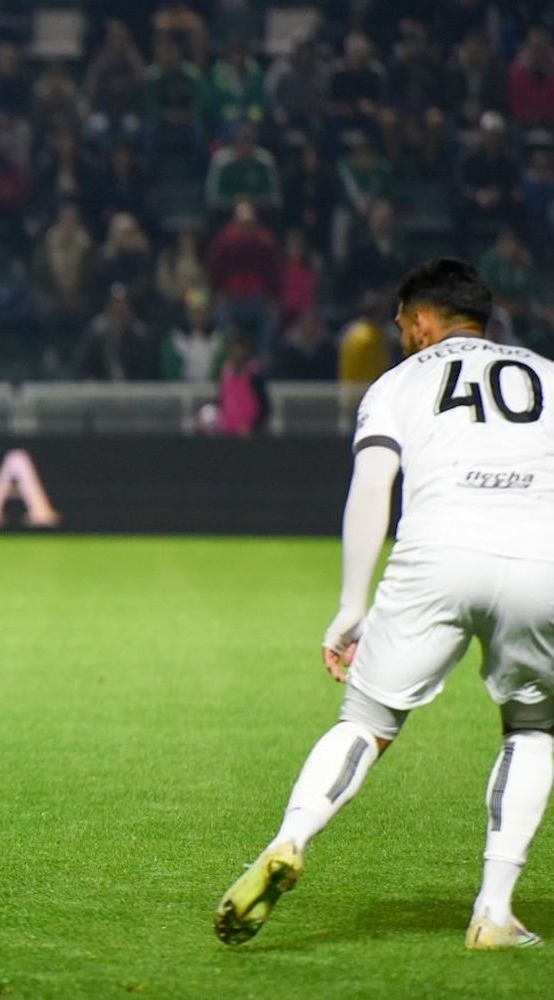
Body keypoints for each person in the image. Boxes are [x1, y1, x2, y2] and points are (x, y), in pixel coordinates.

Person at [216, 259, 554, 950]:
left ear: (425, 323)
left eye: (401, 325)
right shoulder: (547, 375)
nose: (400, 336)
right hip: (540, 557)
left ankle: (291, 837)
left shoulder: (399, 383)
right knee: (531, 727)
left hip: (437, 549)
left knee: (367, 719)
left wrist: (350, 606)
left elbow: (373, 488)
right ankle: (493, 911)